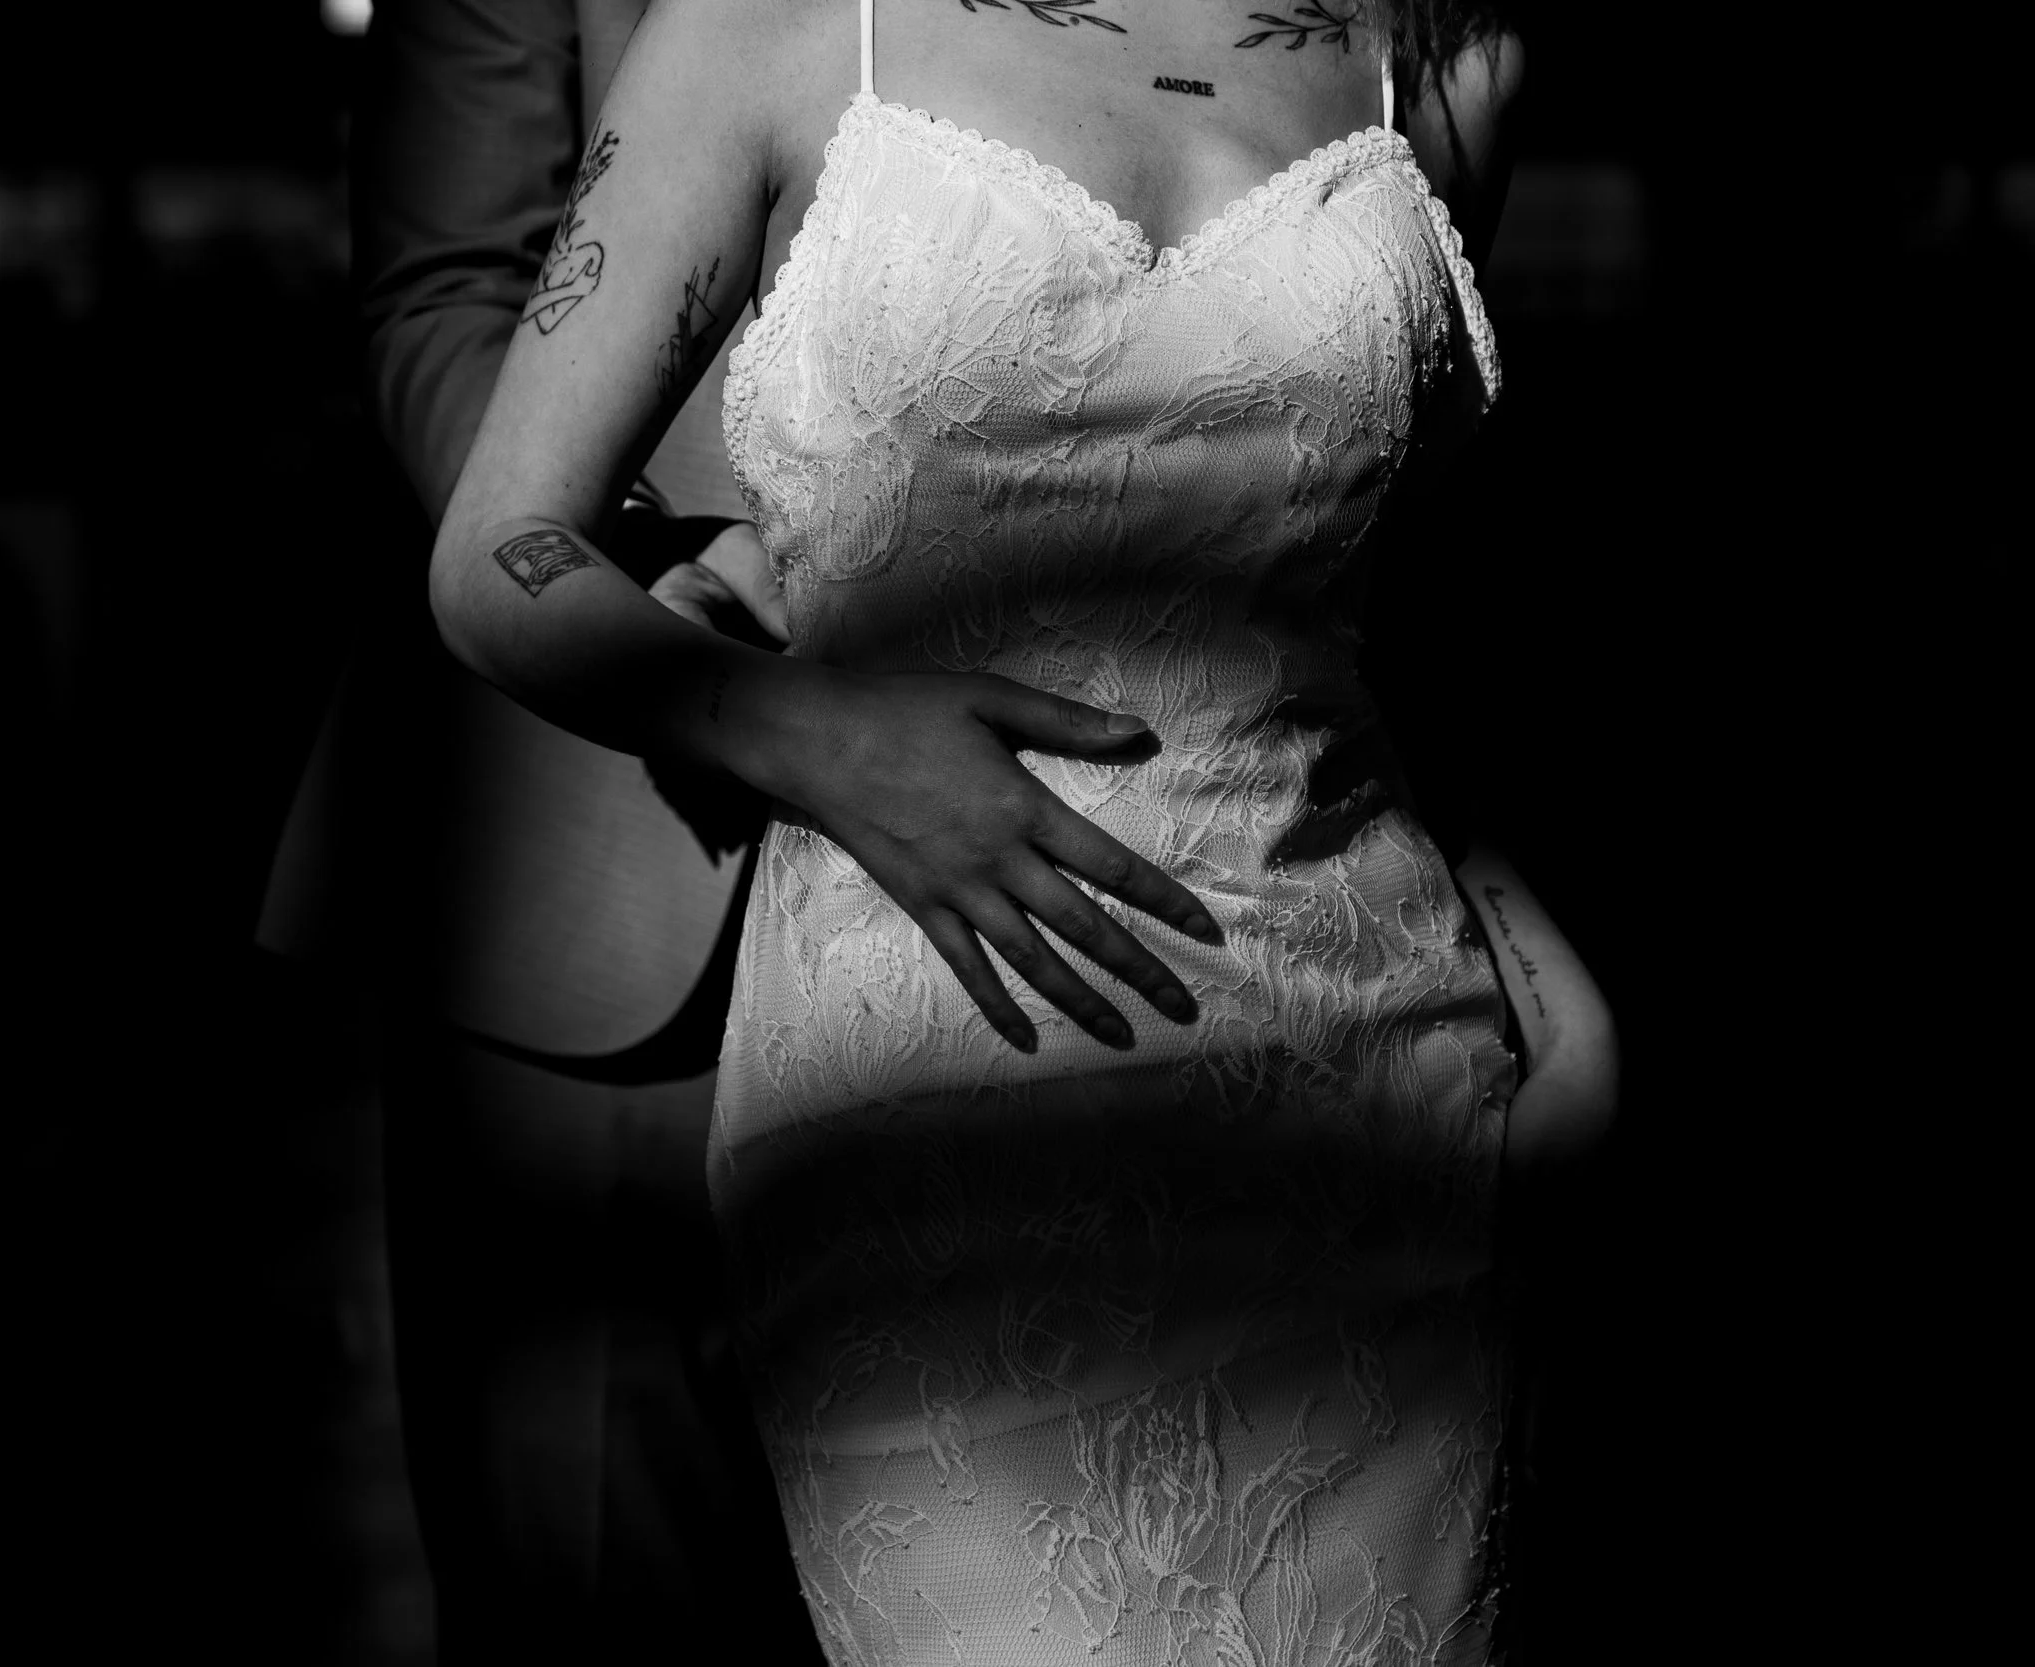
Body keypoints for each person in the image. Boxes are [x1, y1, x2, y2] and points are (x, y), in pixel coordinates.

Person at [427, 0, 1618, 1659]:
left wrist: (1561, 998)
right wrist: (812, 733)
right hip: (926, 1105)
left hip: (1377, 1093)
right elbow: (497, 555)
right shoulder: (772, 23)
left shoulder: (1437, 53)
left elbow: (1397, 620)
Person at [259, 1, 820, 1660]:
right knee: (590, 1581)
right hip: (621, 845)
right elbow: (447, 297)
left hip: (1076, 814)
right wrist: (643, 598)